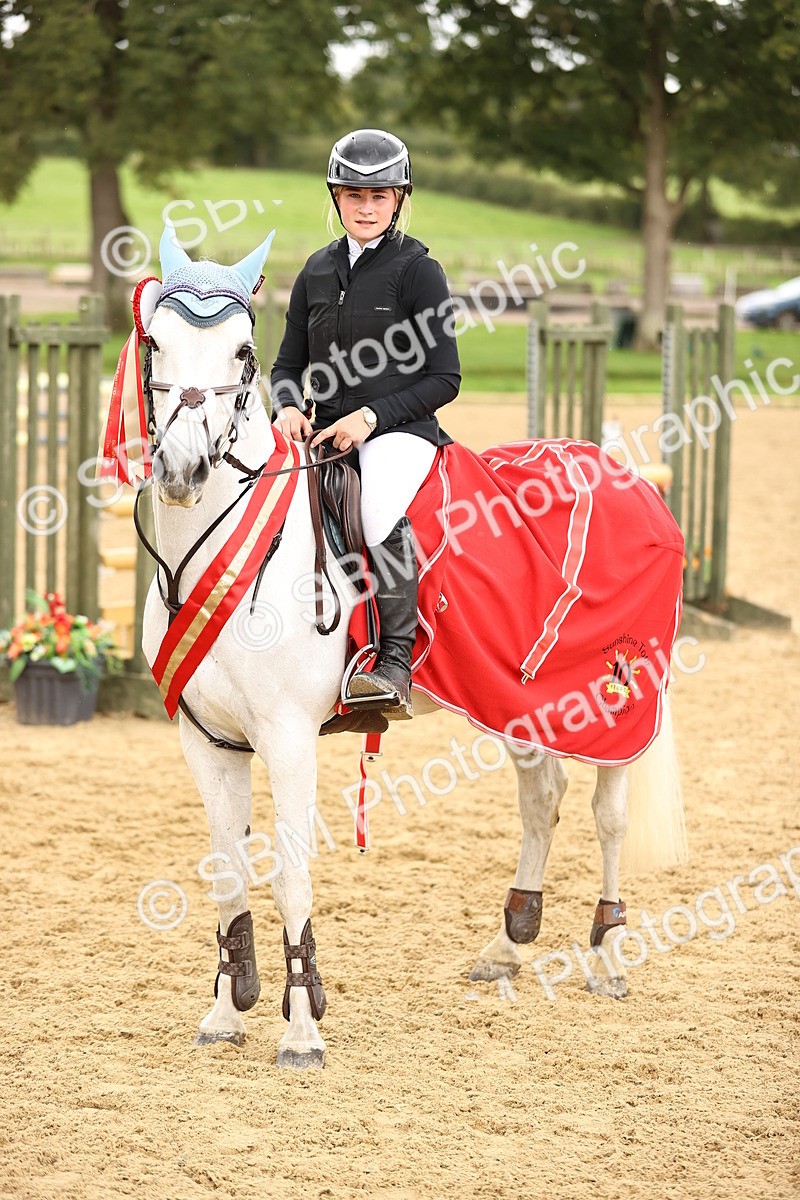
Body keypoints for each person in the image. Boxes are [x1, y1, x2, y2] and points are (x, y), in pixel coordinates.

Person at [270, 128, 461, 720]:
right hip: (324, 433)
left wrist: (371, 416)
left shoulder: (418, 271)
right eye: (354, 195)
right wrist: (286, 406)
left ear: (400, 198)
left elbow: (445, 378)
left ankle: (395, 664)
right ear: (336, 197)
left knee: (377, 507)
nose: (367, 207)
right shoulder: (315, 271)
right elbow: (285, 366)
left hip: (400, 433)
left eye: (379, 196)